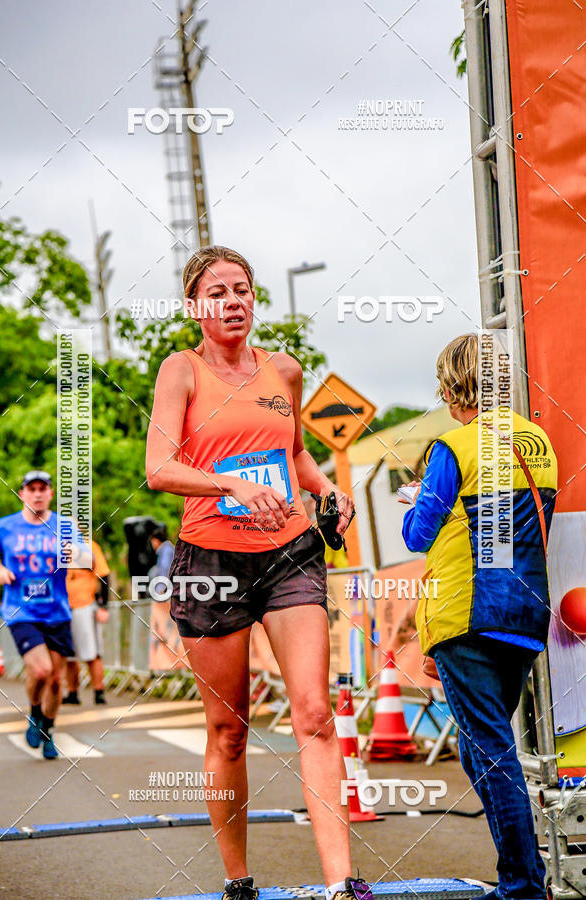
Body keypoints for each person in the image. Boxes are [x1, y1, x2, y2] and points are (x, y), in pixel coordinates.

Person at [146, 245, 373, 900]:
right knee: (229, 728)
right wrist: (227, 484)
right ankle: (237, 878)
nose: (233, 300)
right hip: (209, 561)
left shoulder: (284, 371)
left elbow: (294, 450)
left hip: (288, 552)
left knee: (315, 713)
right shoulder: (180, 371)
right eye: (217, 292)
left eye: (241, 288)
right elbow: (158, 468)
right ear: (195, 307)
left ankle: (342, 882)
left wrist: (328, 487)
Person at [401, 334, 557, 900]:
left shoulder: (453, 447)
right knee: (479, 746)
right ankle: (519, 874)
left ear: (450, 387)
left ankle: (520, 886)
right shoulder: (537, 439)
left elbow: (419, 534)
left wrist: (418, 500)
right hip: (524, 614)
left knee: (492, 752)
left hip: (464, 615)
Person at [0, 471, 89, 759]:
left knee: (55, 679)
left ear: (51, 494)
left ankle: (48, 730)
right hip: (21, 611)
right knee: (41, 670)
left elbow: (87, 559)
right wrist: (0, 571)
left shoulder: (65, 525)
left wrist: (74, 553)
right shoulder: (5, 527)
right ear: (22, 494)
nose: (38, 494)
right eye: (31, 489)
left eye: (43, 488)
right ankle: (34, 713)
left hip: (57, 611)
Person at [63, 535, 111, 705]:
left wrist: (104, 606)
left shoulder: (89, 546)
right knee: (68, 655)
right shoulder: (57, 548)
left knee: (92, 652)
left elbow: (104, 575)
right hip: (63, 608)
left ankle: (99, 692)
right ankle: (72, 693)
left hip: (84, 605)